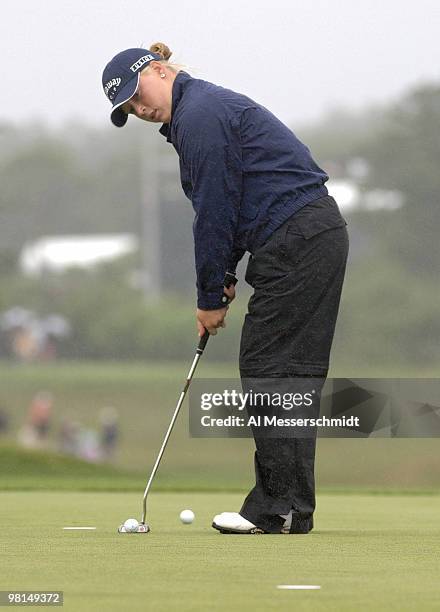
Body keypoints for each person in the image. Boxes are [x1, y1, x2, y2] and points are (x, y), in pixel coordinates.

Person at [102, 43, 349, 534]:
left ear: (160, 70)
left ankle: (276, 507)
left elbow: (214, 210)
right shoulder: (199, 112)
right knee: (287, 375)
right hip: (307, 236)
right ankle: (291, 508)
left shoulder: (200, 116)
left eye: (137, 93)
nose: (139, 108)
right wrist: (226, 276)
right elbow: (235, 205)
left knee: (270, 371)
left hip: (297, 237)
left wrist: (209, 296)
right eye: (128, 107)